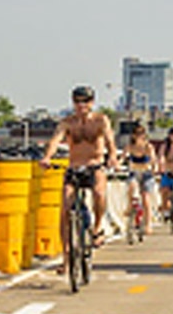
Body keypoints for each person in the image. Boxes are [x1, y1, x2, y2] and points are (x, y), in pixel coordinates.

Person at [39, 85, 119, 259]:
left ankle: (98, 227)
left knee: (99, 193)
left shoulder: (100, 120)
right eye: (77, 101)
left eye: (85, 101)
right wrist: (47, 157)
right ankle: (67, 254)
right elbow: (55, 140)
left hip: (94, 165)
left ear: (92, 103)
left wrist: (112, 157)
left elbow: (110, 141)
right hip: (74, 167)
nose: (81, 105)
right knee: (66, 209)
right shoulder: (67, 122)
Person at [123, 121, 158, 235]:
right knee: (131, 187)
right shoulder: (130, 147)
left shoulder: (148, 147)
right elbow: (122, 158)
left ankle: (148, 224)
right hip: (134, 172)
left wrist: (154, 167)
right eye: (137, 133)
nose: (139, 136)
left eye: (141, 133)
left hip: (146, 173)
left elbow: (153, 159)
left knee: (145, 198)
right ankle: (129, 206)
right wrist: (117, 165)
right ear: (133, 135)